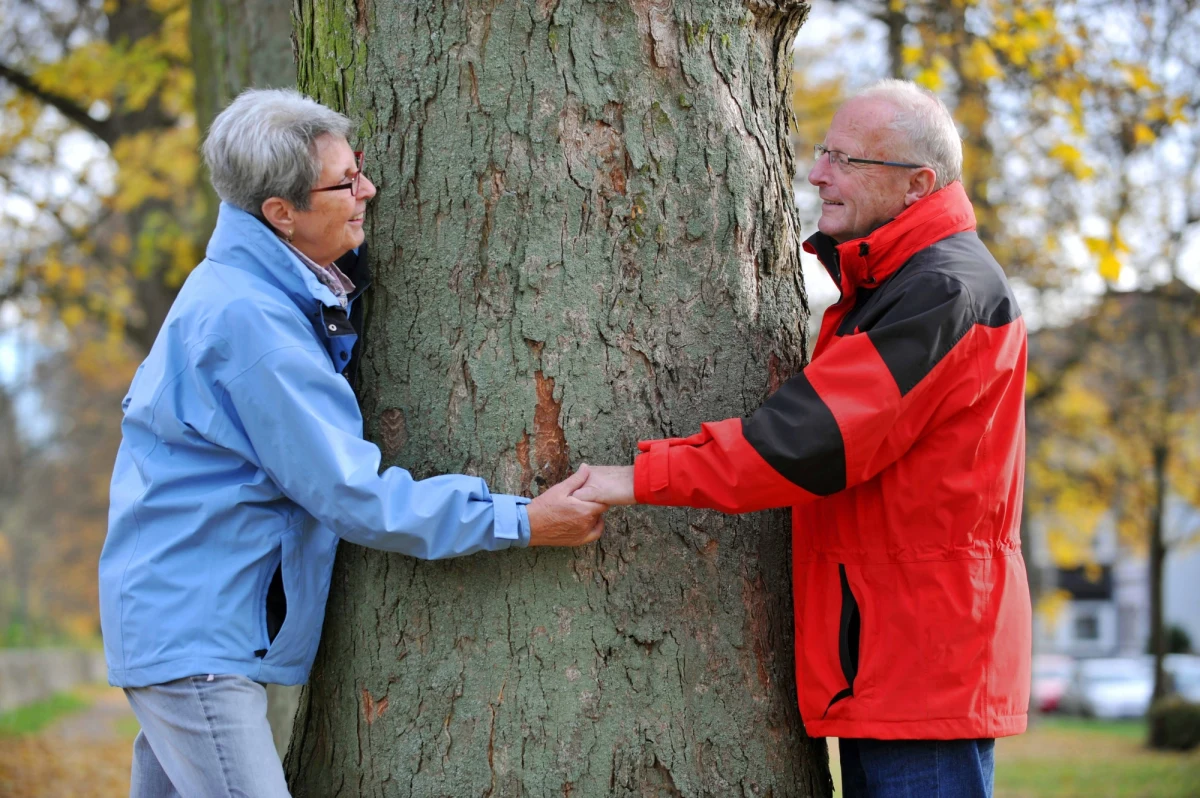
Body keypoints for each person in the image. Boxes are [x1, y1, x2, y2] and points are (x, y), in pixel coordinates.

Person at [99, 88, 607, 798]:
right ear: (281, 213)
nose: (368, 190)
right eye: (344, 183)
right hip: (196, 640)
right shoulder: (254, 325)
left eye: (357, 167)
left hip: (185, 623)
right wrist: (520, 520)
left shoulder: (254, 287)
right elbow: (352, 493)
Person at [576, 80, 1030, 797]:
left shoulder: (942, 291)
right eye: (823, 153)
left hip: (920, 664)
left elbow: (809, 440)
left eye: (847, 160)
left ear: (918, 184)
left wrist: (634, 478)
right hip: (900, 656)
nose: (818, 174)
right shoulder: (905, 281)